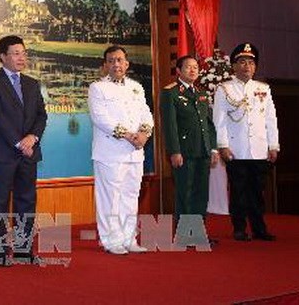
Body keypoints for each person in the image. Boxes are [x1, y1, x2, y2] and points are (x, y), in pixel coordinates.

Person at [0, 35, 47, 267]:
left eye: (23, 53)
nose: (22, 57)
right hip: (3, 152)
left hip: (29, 152)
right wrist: (20, 143)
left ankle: (23, 250)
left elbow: (41, 115)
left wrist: (32, 138)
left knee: (26, 201)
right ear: (3, 57)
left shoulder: (31, 83)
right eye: (16, 53)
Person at [87, 45, 153, 255]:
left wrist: (143, 134)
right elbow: (100, 118)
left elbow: (146, 114)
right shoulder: (97, 88)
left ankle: (129, 238)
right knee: (110, 198)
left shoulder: (136, 87)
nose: (116, 64)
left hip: (134, 152)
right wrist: (128, 135)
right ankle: (110, 240)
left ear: (127, 63)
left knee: (131, 196)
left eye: (120, 60)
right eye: (111, 60)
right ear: (105, 64)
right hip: (110, 152)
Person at [213, 42, 279, 242]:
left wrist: (273, 145)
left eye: (251, 62)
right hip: (236, 149)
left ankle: (259, 228)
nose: (247, 66)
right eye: (242, 62)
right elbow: (220, 120)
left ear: (255, 66)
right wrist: (222, 145)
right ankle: (239, 228)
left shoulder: (263, 89)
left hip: (259, 149)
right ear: (234, 66)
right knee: (239, 191)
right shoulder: (224, 89)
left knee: (257, 192)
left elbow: (270, 119)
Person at [160, 55, 219, 241]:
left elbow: (208, 125)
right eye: (188, 67)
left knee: (201, 193)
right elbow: (170, 126)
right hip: (184, 152)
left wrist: (213, 149)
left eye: (195, 67)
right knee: (185, 192)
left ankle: (198, 233)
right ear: (178, 70)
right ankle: (185, 234)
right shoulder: (170, 93)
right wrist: (174, 151)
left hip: (202, 151)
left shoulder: (200, 93)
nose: (193, 70)